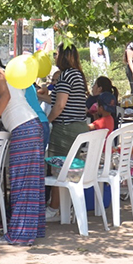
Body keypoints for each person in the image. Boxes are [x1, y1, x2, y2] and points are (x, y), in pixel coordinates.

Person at [0, 46, 45, 246]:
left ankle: (19, 234)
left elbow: (5, 97)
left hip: (23, 129)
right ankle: (31, 231)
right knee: (32, 182)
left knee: (20, 182)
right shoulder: (5, 73)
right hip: (32, 126)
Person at [43, 44, 89, 222]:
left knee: (58, 169)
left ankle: (54, 208)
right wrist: (39, 95)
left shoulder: (65, 76)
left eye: (57, 54)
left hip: (64, 129)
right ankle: (65, 207)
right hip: (78, 127)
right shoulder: (77, 75)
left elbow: (60, 106)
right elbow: (59, 99)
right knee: (70, 170)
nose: (55, 57)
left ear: (63, 56)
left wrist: (47, 121)